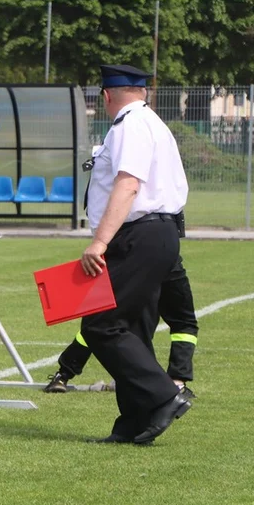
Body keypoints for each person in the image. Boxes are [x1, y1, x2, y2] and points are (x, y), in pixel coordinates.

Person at [79, 64, 191, 445]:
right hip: (158, 233)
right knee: (133, 327)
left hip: (140, 233)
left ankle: (164, 396)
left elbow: (127, 185)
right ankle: (135, 422)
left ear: (107, 96)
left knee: (100, 325)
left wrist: (99, 242)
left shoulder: (130, 125)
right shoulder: (151, 123)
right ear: (141, 91)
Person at [45, 254, 198, 397]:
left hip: (130, 258)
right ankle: (175, 383)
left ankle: (63, 374)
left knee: (99, 322)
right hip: (163, 258)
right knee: (180, 322)